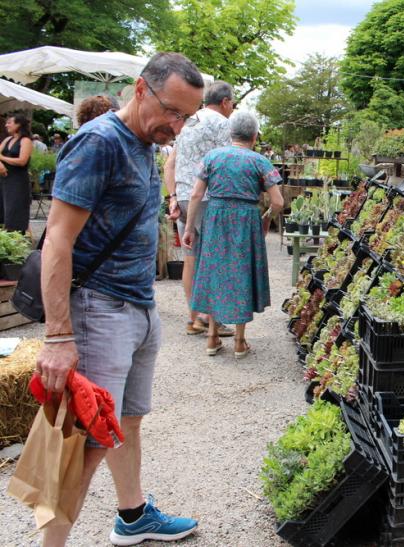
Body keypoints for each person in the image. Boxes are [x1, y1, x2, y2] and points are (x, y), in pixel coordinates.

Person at [35, 52, 205, 546]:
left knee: (125, 421)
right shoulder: (100, 142)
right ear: (139, 89)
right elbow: (57, 241)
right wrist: (59, 337)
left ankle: (132, 516)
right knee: (82, 444)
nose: (176, 126)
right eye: (171, 111)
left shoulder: (143, 141)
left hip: (137, 306)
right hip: (97, 307)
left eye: (186, 117)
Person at [182, 111, 284, 357]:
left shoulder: (213, 157)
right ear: (254, 136)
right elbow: (278, 201)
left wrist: (188, 228)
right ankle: (239, 342)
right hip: (246, 219)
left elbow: (196, 195)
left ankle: (212, 337)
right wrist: (266, 217)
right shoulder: (259, 162)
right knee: (241, 274)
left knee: (214, 271)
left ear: (231, 133)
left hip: (215, 217)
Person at [164, 80, 235, 337]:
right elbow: (228, 164)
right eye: (232, 104)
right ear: (225, 102)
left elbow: (168, 165)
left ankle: (193, 318)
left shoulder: (188, 123)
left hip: (183, 198)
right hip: (208, 198)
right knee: (214, 259)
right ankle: (211, 318)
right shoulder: (223, 125)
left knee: (190, 260)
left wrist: (172, 196)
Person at [0, 112, 33, 234]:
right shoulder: (8, 139)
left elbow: (22, 161)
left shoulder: (25, 141)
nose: (6, 125)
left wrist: (2, 159)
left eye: (9, 123)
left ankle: (16, 240)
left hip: (17, 181)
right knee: (3, 211)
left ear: (18, 125)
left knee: (15, 211)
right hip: (3, 180)